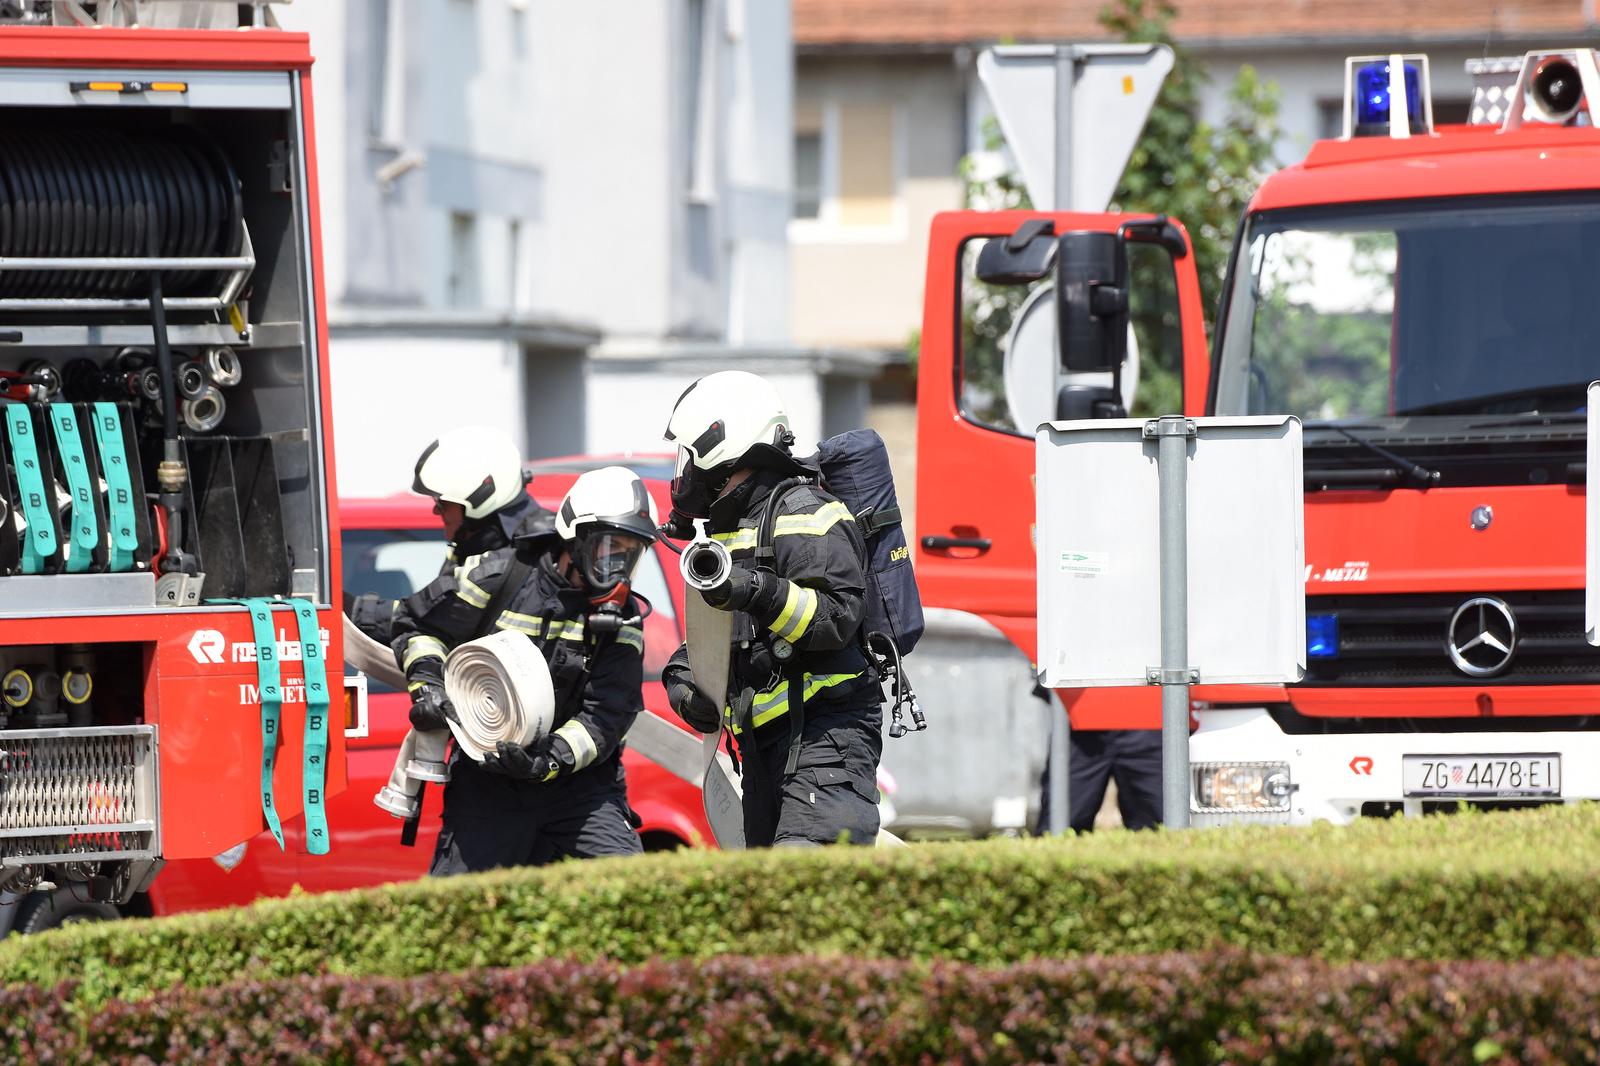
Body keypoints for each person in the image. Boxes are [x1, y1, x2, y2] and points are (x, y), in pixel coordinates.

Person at [389, 464, 657, 874]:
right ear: (575, 537)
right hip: (487, 788)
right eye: (608, 548)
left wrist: (548, 760)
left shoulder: (624, 621)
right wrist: (427, 687)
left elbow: (605, 716)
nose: (616, 568)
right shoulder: (500, 576)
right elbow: (417, 626)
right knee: (461, 916)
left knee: (636, 893)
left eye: (629, 553)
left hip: (580, 792)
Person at [659, 370, 883, 847]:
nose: (688, 472)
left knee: (802, 891)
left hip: (826, 743)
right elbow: (720, 637)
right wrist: (682, 681)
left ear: (723, 446)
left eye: (691, 457)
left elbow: (837, 615)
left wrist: (752, 589)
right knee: (766, 903)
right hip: (765, 754)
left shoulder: (804, 512)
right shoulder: (734, 529)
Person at [348, 426, 551, 645]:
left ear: (480, 498)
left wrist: (346, 608)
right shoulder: (469, 546)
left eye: (442, 502)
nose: (436, 511)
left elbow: (424, 619)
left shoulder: (538, 557)